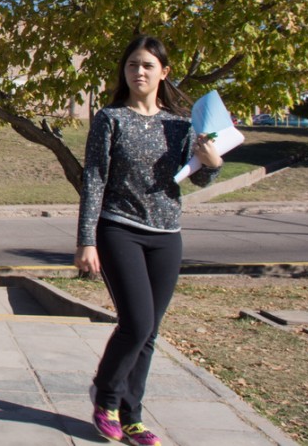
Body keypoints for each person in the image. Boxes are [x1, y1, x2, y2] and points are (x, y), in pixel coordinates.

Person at [74, 35, 222, 446]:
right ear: (124, 71)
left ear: (163, 72)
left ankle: (132, 416)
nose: (139, 72)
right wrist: (86, 239)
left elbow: (197, 175)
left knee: (150, 331)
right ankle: (106, 398)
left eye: (147, 65)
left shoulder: (180, 125)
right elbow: (95, 179)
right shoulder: (110, 118)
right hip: (119, 228)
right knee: (136, 323)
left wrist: (213, 164)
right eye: (132, 65)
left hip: (167, 236)